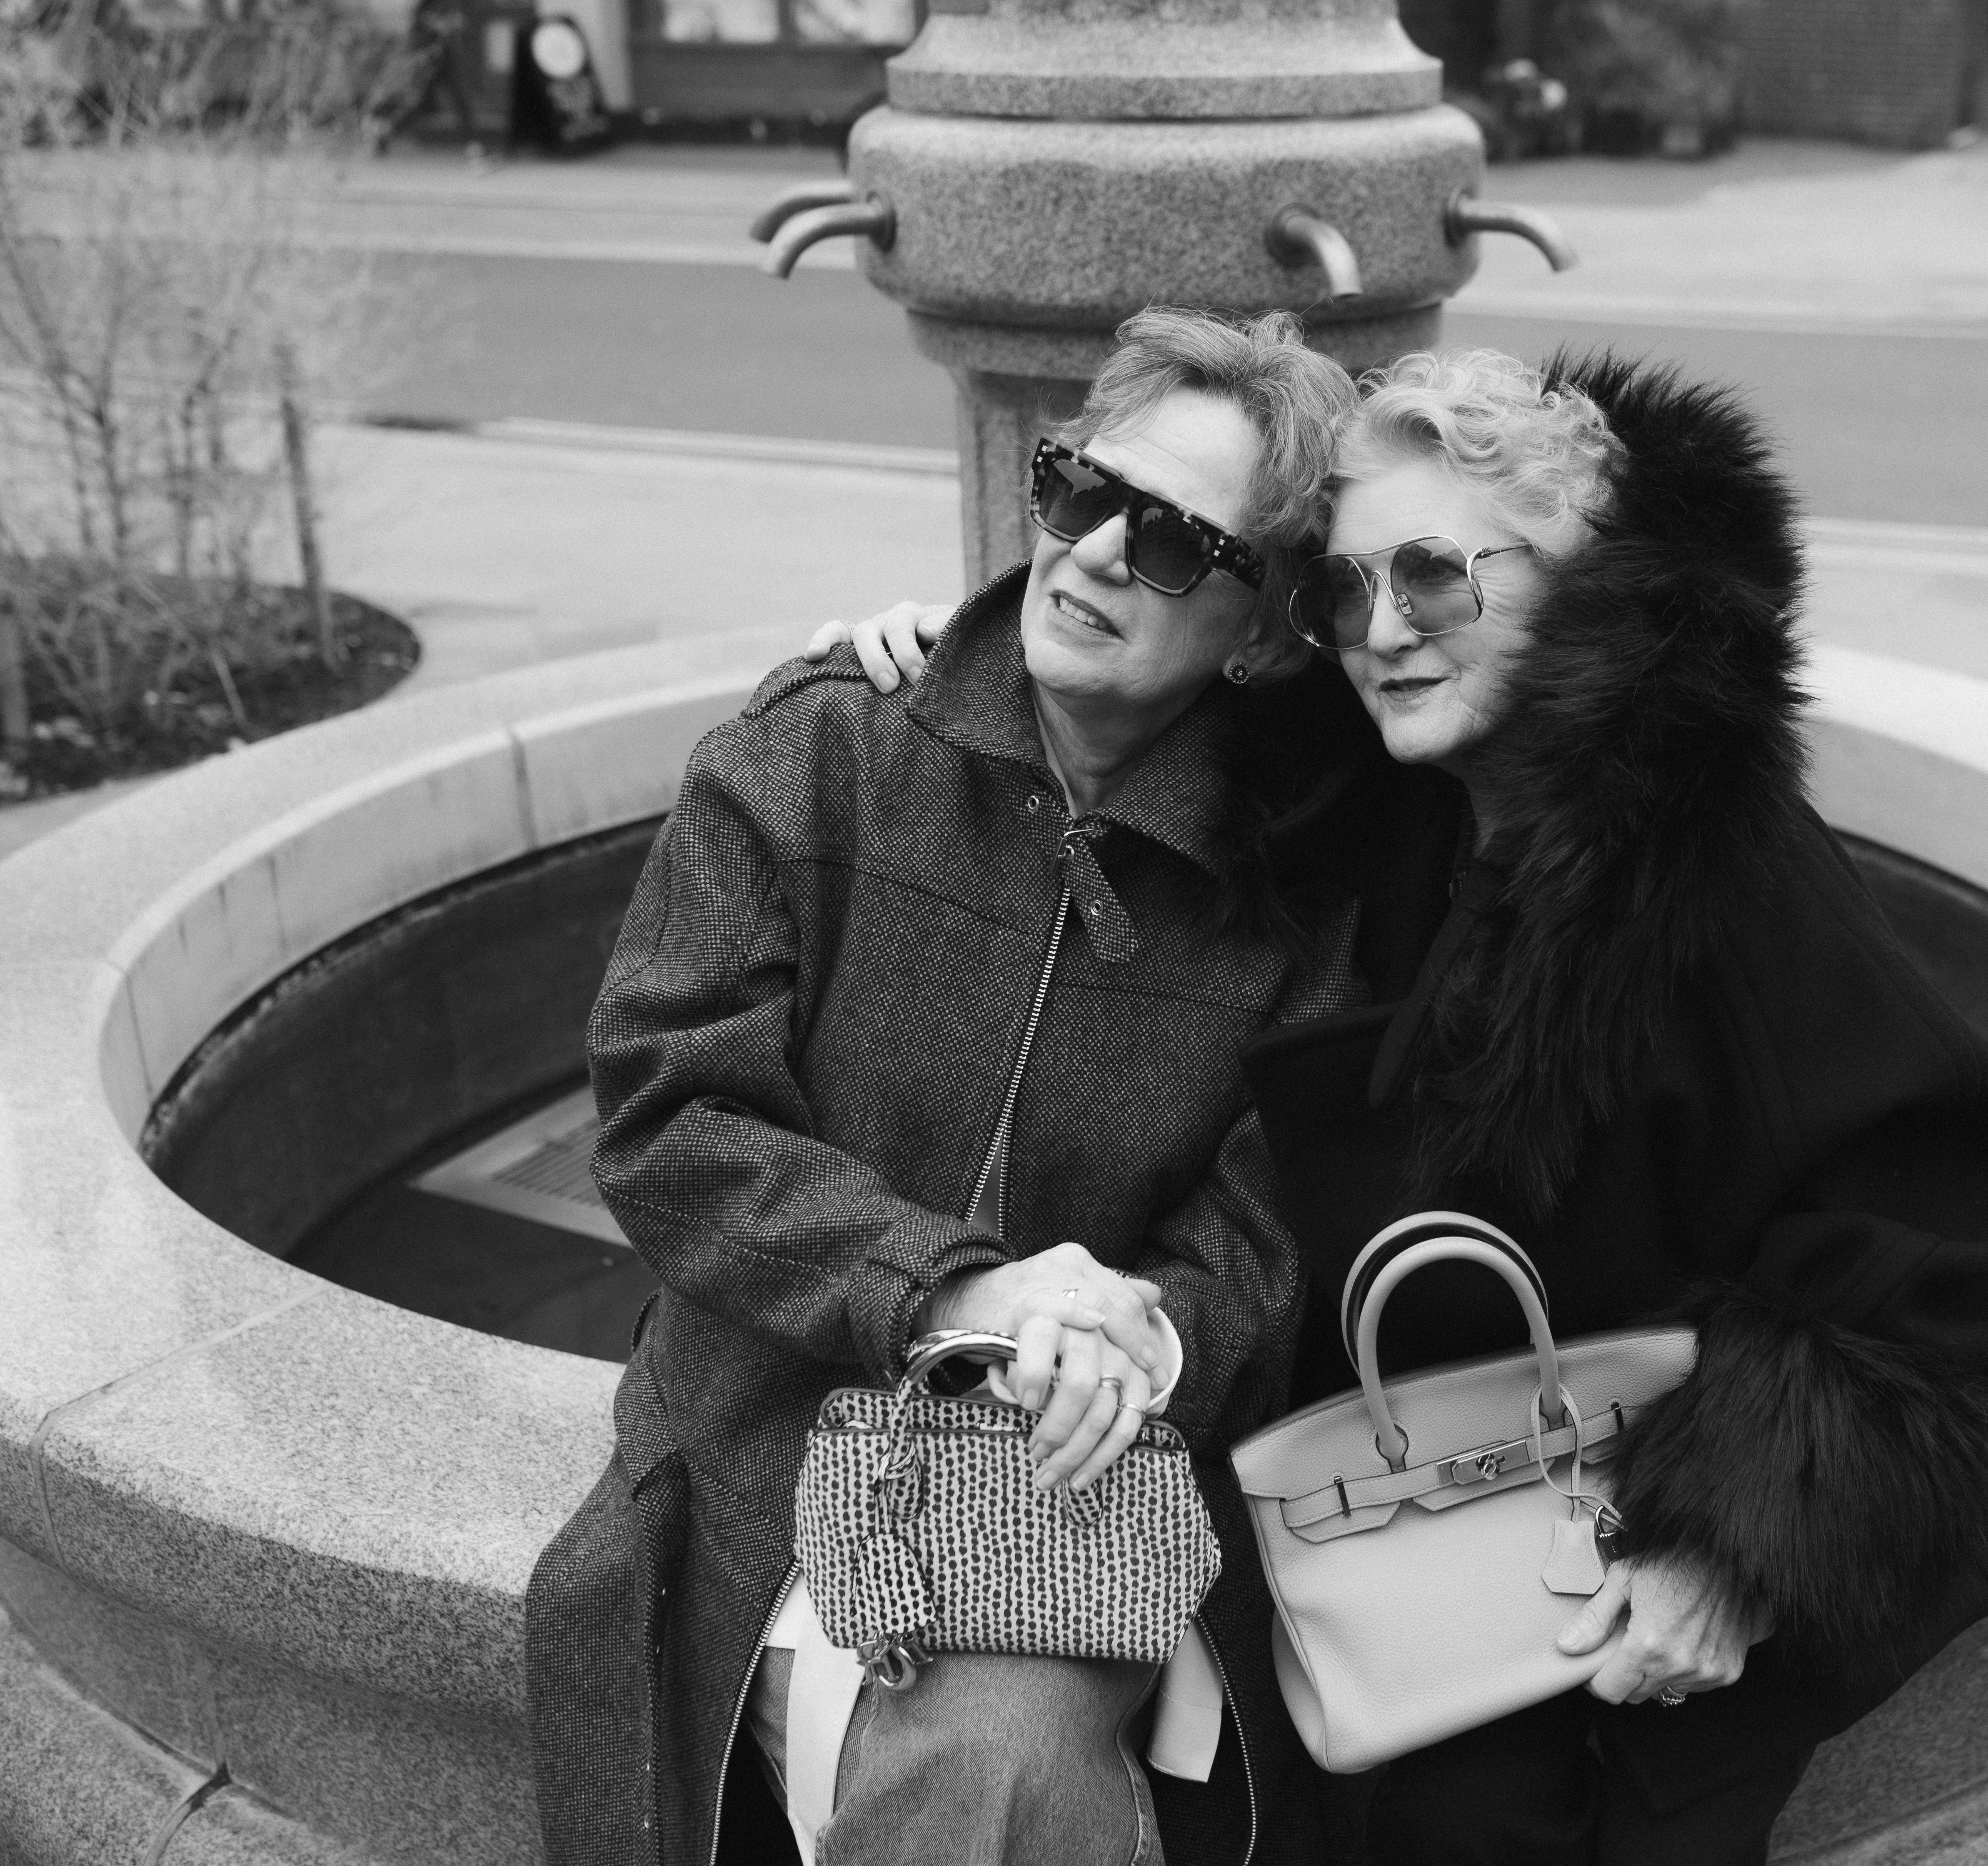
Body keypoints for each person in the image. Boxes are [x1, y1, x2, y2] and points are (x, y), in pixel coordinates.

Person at [818, 347, 1988, 1863]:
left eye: (1433, 576)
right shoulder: (1392, 797)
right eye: (1345, 590)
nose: (1381, 630)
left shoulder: (1707, 861)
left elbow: (1951, 1225)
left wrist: (1742, 1547)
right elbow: (1136, 686)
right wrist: (955, 671)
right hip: (1384, 1545)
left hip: (1603, 1610)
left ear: (1583, 586)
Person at [527, 307, 1378, 1866]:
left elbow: (1272, 1237)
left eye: (1175, 544)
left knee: (998, 1757)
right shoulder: (821, 751)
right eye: (1080, 490)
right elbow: (668, 1116)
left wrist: (1136, 1340)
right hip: (765, 1431)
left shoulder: (1311, 894)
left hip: (1075, 1471)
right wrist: (950, 1292)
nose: (1096, 552)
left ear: (1264, 634)